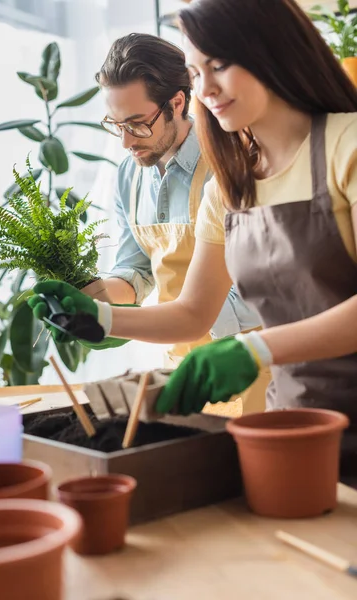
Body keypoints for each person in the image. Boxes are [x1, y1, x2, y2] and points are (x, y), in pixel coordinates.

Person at [29, 0, 357, 431]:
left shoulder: (346, 146)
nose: (207, 90)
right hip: (294, 423)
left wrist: (253, 349)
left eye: (219, 65)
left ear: (272, 50)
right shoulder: (232, 182)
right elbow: (192, 313)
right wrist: (101, 316)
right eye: (198, 73)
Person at [84, 32, 261, 373]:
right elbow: (137, 271)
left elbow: (267, 288)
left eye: (136, 124)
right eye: (116, 124)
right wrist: (94, 299)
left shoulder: (232, 165)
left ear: (177, 103)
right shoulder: (128, 176)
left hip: (249, 364)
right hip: (179, 365)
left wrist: (121, 321)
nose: (125, 141)